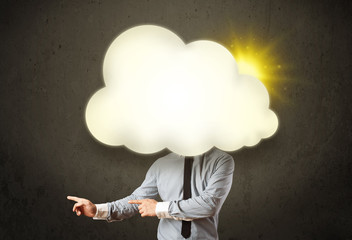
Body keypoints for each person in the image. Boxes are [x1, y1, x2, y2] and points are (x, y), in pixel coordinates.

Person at [67, 147, 234, 239]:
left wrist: (159, 209)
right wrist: (97, 210)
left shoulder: (221, 160)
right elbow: (137, 199)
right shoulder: (161, 164)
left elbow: (209, 204)